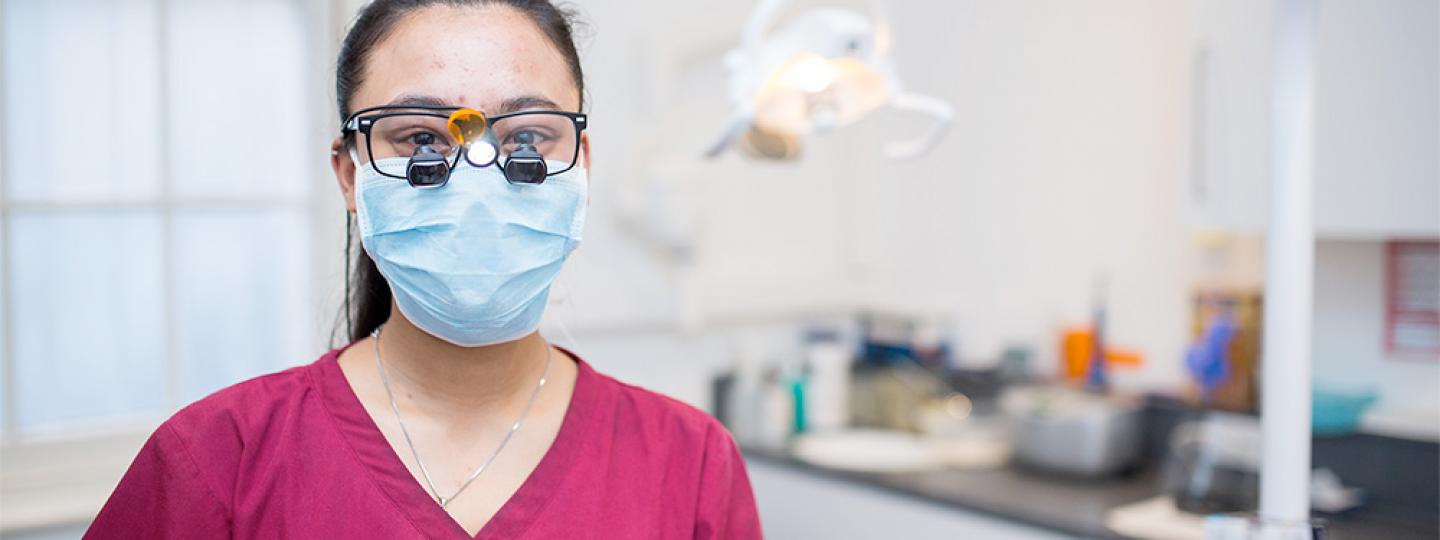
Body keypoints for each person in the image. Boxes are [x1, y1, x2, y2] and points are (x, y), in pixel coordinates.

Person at [84, 1, 761, 538]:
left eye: (527, 135)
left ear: (580, 164)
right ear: (350, 176)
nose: (477, 180)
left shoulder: (689, 463)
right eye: (419, 138)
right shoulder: (219, 461)